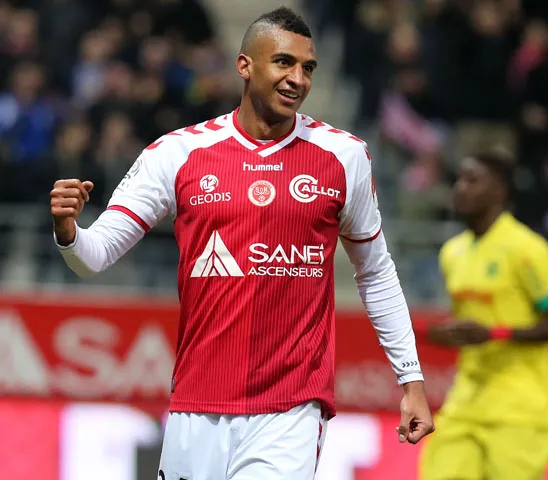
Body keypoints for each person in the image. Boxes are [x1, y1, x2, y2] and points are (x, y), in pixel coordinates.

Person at [49, 7, 434, 480]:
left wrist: (411, 378)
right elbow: (95, 256)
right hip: (196, 404)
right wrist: (68, 231)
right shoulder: (178, 153)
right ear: (244, 65)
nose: (298, 79)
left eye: (308, 68)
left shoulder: (343, 155)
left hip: (290, 407)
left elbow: (375, 272)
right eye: (284, 63)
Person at [419, 151, 548, 480]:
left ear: (499, 191)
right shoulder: (453, 252)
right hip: (466, 400)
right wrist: (449, 334)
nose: (460, 188)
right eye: (459, 179)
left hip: (519, 407)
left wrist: (495, 334)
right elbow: (471, 323)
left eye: (472, 180)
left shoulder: (527, 248)